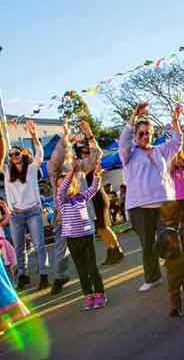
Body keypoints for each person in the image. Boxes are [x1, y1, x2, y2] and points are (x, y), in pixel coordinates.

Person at [119, 102, 182, 292]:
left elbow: (177, 142)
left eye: (148, 133)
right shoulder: (128, 153)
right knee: (147, 244)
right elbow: (123, 141)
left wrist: (176, 121)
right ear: (135, 135)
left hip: (164, 203)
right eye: (141, 133)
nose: (145, 136)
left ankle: (176, 275)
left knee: (168, 240)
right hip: (139, 206)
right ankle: (152, 277)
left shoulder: (160, 150)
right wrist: (133, 117)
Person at [47, 120, 104, 294]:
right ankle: (60, 277)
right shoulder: (54, 171)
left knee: (88, 259)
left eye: (70, 152)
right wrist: (65, 137)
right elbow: (55, 158)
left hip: (84, 220)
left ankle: (94, 287)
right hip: (64, 220)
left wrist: (89, 135)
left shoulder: (79, 167)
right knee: (61, 250)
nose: (68, 154)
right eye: (66, 151)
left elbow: (96, 155)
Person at [1, 120, 49, 291]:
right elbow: (1, 155)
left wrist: (34, 135)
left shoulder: (31, 168)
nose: (14, 157)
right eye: (12, 155)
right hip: (16, 215)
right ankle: (23, 275)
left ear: (22, 154)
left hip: (33, 211)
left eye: (17, 154)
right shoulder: (7, 172)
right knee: (19, 247)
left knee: (39, 244)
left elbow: (40, 154)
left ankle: (44, 274)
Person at [55, 159, 107, 310]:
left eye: (67, 183)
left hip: (87, 237)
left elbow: (94, 188)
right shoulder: (61, 200)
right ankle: (88, 295)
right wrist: (70, 173)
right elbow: (63, 188)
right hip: (72, 239)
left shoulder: (82, 197)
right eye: (60, 186)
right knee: (82, 269)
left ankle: (100, 294)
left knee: (92, 267)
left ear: (75, 184)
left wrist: (97, 175)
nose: (63, 187)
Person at [0, 199, 17, 286]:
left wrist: (4, 206)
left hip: (3, 245)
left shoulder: (0, 224)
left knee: (9, 266)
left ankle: (12, 283)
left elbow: (9, 216)